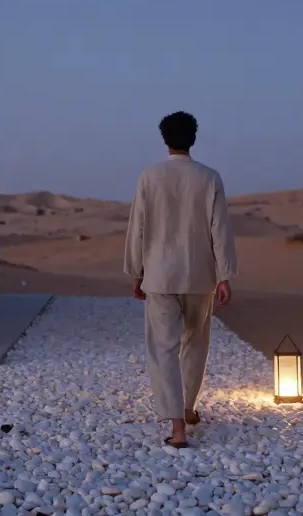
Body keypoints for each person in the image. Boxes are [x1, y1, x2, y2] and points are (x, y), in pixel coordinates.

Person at [124, 111, 238, 448]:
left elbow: (138, 228)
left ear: (164, 139)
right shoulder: (209, 177)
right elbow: (220, 228)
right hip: (200, 275)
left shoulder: (150, 176)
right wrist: (224, 275)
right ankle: (187, 407)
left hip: (159, 275)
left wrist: (136, 271)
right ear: (193, 138)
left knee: (164, 349)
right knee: (196, 342)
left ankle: (177, 427)